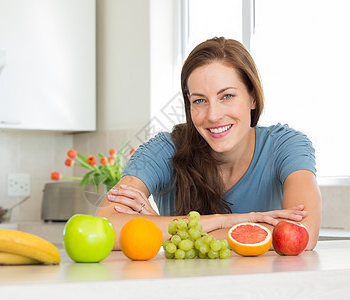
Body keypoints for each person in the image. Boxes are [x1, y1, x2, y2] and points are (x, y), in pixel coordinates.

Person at [96, 37, 321, 251]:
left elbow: (301, 233)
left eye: (227, 96)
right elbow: (105, 226)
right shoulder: (163, 149)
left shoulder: (286, 145)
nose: (213, 115)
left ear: (252, 97)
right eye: (200, 101)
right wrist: (224, 221)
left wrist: (166, 229)